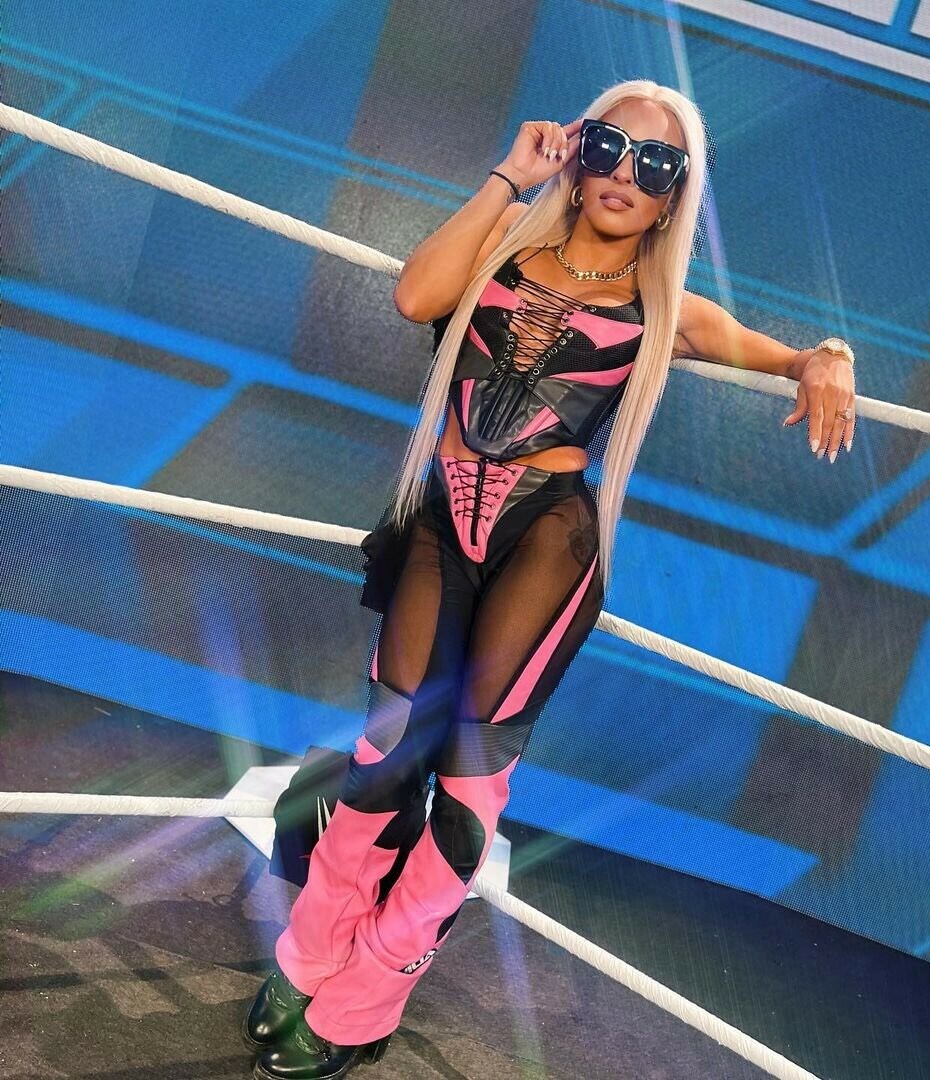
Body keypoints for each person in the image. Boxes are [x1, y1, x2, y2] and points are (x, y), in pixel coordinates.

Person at [243, 77, 857, 1080]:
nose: (626, 173)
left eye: (655, 164)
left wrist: (827, 354)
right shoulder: (502, 245)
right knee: (386, 754)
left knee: (467, 780)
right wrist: (510, 176)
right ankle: (310, 955)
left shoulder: (669, 311)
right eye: (608, 146)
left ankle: (371, 990)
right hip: (438, 522)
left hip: (548, 543)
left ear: (675, 193)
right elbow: (415, 297)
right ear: (578, 152)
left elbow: (791, 359)